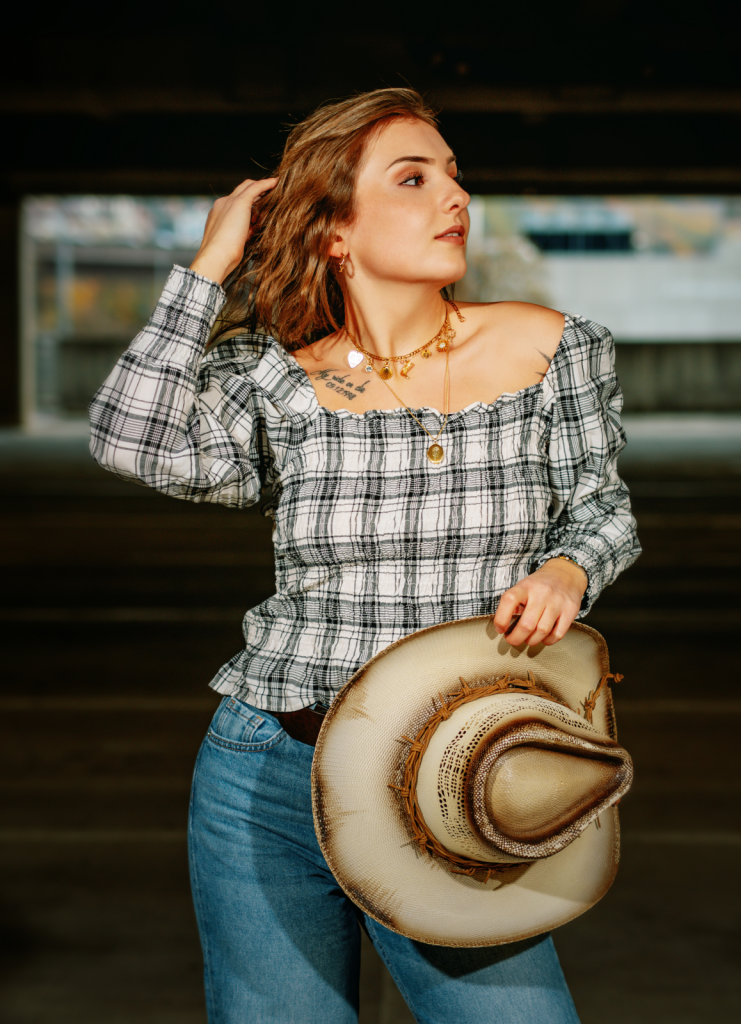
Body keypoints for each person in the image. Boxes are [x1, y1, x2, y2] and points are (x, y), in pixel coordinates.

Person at [89, 87, 640, 1024]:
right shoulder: (275, 379)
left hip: (458, 774)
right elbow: (128, 438)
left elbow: (602, 507)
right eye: (413, 178)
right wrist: (211, 261)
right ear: (336, 231)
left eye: (455, 175)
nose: (455, 196)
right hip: (268, 770)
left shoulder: (551, 348)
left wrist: (568, 569)